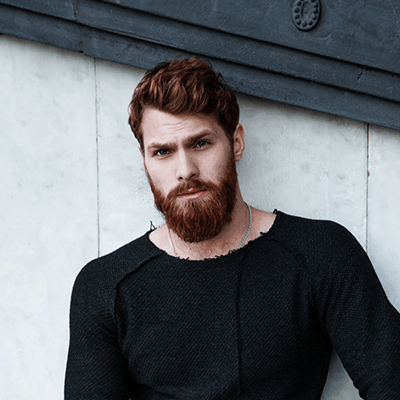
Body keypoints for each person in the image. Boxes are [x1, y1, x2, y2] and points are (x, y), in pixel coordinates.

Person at [65, 58, 400, 399]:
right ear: (145, 159)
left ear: (236, 142)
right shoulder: (106, 286)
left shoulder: (319, 254)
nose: (185, 170)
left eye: (200, 143)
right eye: (163, 151)